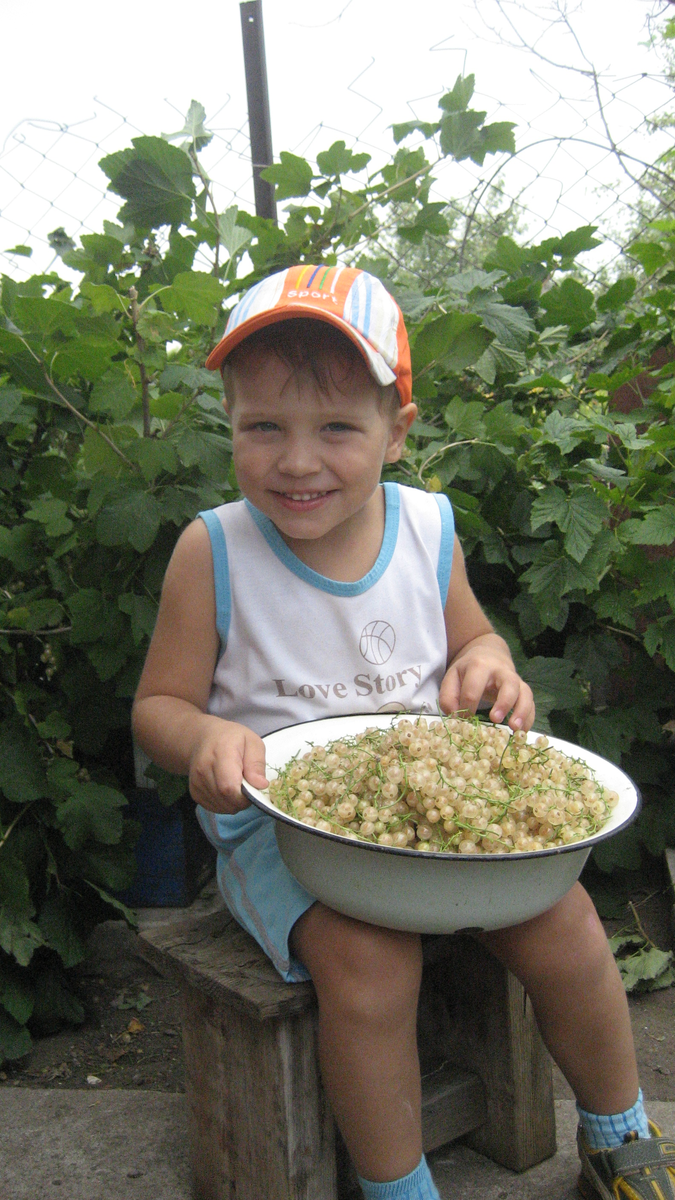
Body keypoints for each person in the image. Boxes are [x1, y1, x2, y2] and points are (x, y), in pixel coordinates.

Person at [132, 264, 675, 1200]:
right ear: (228, 426)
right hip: (288, 835)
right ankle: (398, 1186)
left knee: (568, 923)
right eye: (264, 428)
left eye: (336, 428)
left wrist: (490, 664)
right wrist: (202, 740)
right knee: (370, 963)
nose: (297, 462)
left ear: (397, 432)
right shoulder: (213, 548)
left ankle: (617, 1132)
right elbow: (157, 708)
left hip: (429, 821)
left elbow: (475, 634)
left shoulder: (428, 529)